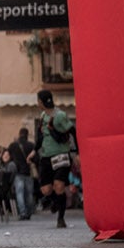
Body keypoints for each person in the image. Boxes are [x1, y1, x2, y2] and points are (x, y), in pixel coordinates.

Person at [34, 88, 77, 229]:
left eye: (38, 100)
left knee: (59, 187)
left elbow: (72, 131)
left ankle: (61, 218)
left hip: (61, 155)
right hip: (46, 155)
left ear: (41, 101)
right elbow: (41, 137)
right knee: (46, 190)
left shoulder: (60, 115)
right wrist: (34, 151)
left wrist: (77, 151)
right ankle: (56, 203)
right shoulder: (42, 116)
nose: (37, 103)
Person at [7, 126, 36, 220]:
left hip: (18, 172)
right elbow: (36, 158)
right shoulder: (31, 145)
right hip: (28, 172)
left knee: (19, 193)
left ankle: (22, 213)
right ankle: (29, 212)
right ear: (27, 135)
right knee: (29, 193)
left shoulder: (13, 145)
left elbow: (9, 157)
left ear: (19, 134)